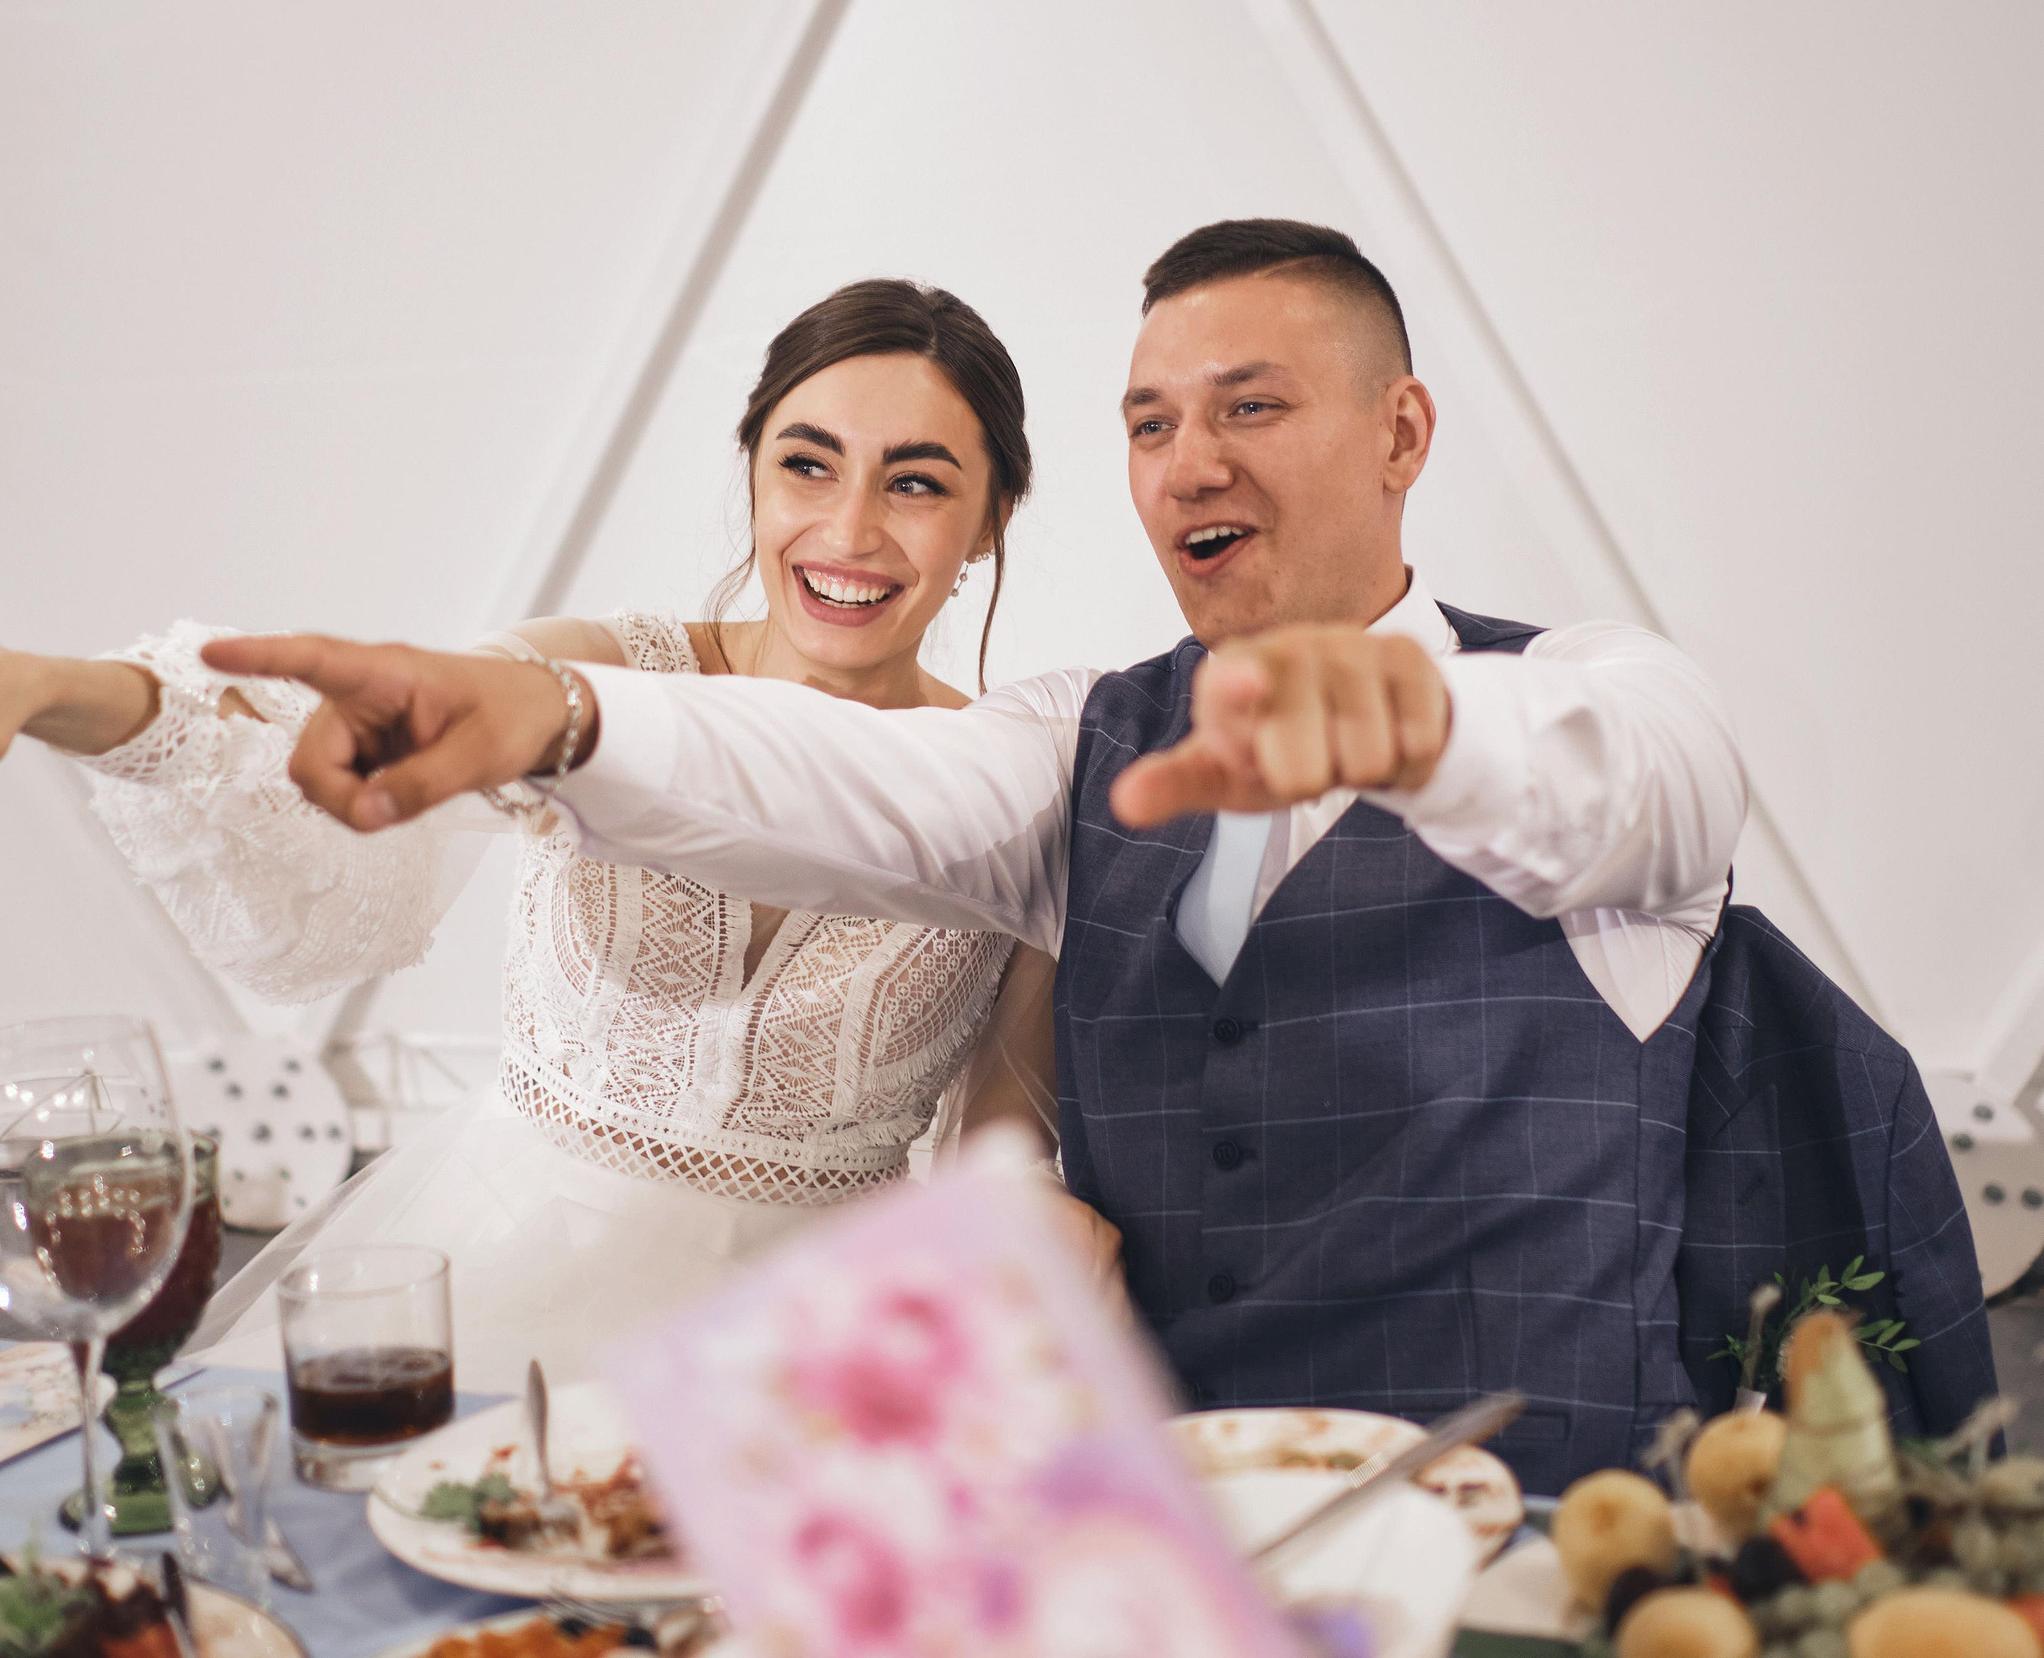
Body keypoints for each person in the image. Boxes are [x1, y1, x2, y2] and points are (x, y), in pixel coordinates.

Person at [187, 221, 1754, 1491]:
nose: (1190, 462)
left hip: (1530, 1532)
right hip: (1167, 1534)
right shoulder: (1081, 741)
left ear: (1401, 430)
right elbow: (852, 784)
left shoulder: (1607, 691)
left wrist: (1421, 732)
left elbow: (1641, 796)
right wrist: (568, 718)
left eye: (1250, 406)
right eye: (1152, 424)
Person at [0, 279, 1117, 1391]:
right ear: (751, 473)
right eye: (808, 465)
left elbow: (997, 1156)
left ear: (993, 517)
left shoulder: (1013, 788)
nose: (850, 529)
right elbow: (309, 793)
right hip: (496, 1290)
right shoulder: (589, 674)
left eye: (918, 482)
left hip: (809, 1369)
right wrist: (46, 690)